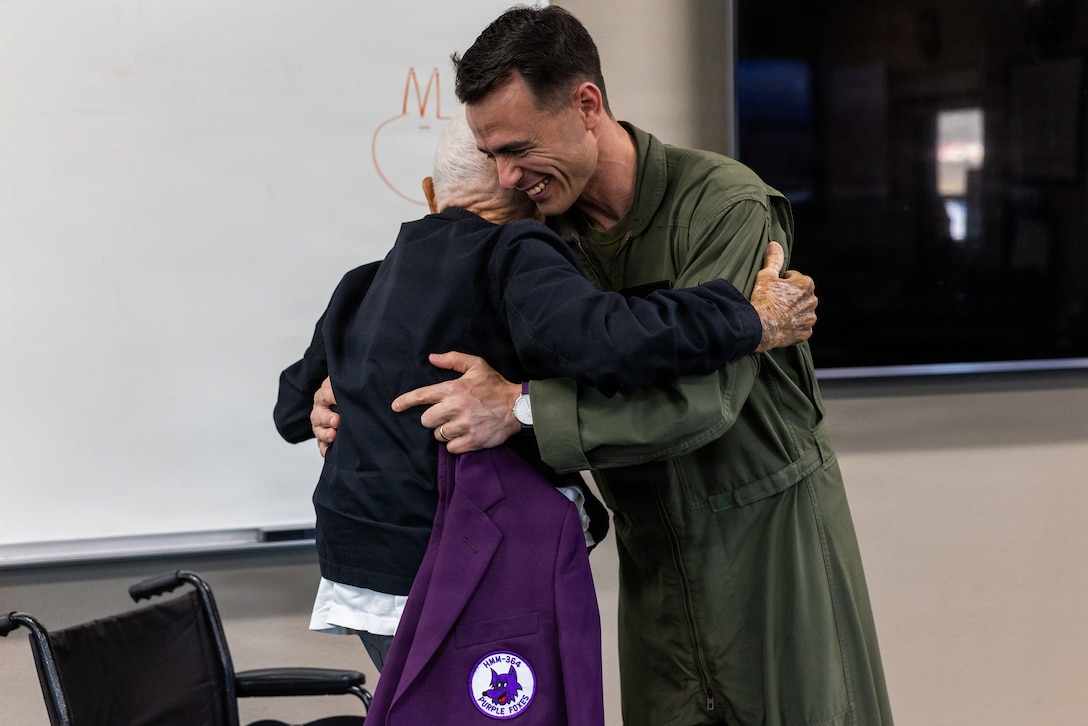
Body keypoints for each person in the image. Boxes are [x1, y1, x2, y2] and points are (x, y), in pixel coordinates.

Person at [314, 6, 893, 725]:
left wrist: (520, 407)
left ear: (587, 105)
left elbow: (701, 403)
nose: (507, 176)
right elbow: (425, 320)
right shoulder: (531, 231)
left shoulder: (725, 203)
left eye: (518, 148)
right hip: (651, 555)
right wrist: (340, 388)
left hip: (770, 546)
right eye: (491, 155)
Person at [275, 111, 815, 673]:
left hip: (358, 571)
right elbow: (611, 339)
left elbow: (291, 410)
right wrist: (749, 319)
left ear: (431, 194)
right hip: (457, 566)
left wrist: (329, 397)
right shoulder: (514, 251)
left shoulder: (362, 281)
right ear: (527, 197)